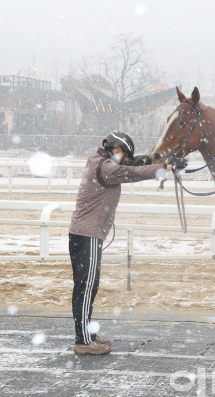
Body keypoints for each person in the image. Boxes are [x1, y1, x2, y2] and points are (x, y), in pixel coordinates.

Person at [69, 131, 187, 355]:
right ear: (116, 151)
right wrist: (166, 168)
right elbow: (132, 172)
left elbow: (133, 163)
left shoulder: (100, 160)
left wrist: (158, 159)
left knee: (85, 288)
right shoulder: (107, 168)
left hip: (83, 234)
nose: (125, 158)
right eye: (124, 154)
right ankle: (83, 342)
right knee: (86, 288)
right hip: (88, 235)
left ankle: (85, 334)